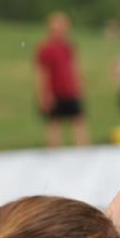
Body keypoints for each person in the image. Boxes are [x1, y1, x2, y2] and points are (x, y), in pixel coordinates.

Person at [35, 12, 90, 147]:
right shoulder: (46, 48)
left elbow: (73, 67)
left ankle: (84, 152)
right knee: (54, 124)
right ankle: (54, 155)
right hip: (55, 92)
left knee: (78, 121)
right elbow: (42, 73)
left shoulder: (68, 46)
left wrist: (79, 84)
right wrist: (45, 94)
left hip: (70, 91)